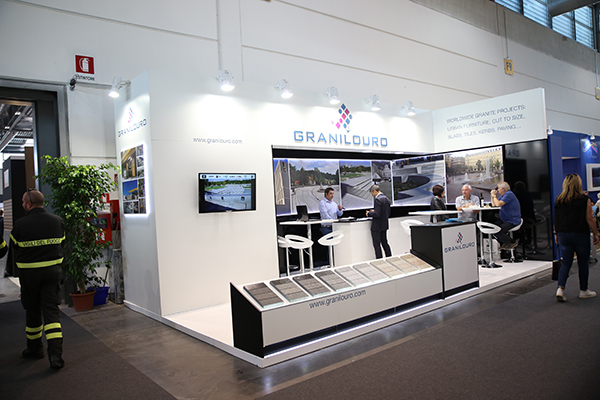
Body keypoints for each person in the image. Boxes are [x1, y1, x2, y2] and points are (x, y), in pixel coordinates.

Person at [10, 189, 66, 369]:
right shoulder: (57, 221)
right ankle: (55, 356)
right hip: (52, 273)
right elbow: (62, 243)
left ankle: (35, 349)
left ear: (29, 204)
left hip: (29, 276)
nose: (22, 205)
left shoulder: (20, 224)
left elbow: (14, 246)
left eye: (22, 202)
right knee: (51, 312)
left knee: (32, 310)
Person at [554, 174, 599, 302]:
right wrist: (596, 233)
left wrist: (556, 233)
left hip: (563, 235)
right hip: (580, 234)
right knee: (583, 262)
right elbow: (589, 218)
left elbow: (556, 219)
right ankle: (583, 290)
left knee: (566, 262)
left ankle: (560, 288)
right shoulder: (585, 199)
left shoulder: (559, 200)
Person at [490, 181, 521, 250]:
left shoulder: (509, 194)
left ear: (503, 189)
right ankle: (506, 242)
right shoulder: (503, 195)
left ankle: (511, 242)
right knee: (492, 227)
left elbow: (498, 204)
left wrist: (494, 196)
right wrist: (492, 196)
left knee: (497, 230)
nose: (498, 190)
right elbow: (494, 204)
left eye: (499, 188)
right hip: (505, 220)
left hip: (512, 220)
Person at [366, 185, 392, 259]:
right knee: (384, 243)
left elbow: (377, 214)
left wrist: (369, 213)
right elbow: (386, 212)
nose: (372, 195)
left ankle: (379, 260)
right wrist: (375, 211)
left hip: (377, 226)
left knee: (377, 245)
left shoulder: (378, 200)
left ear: (375, 191)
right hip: (384, 224)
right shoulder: (386, 199)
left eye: (372, 193)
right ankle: (389, 257)